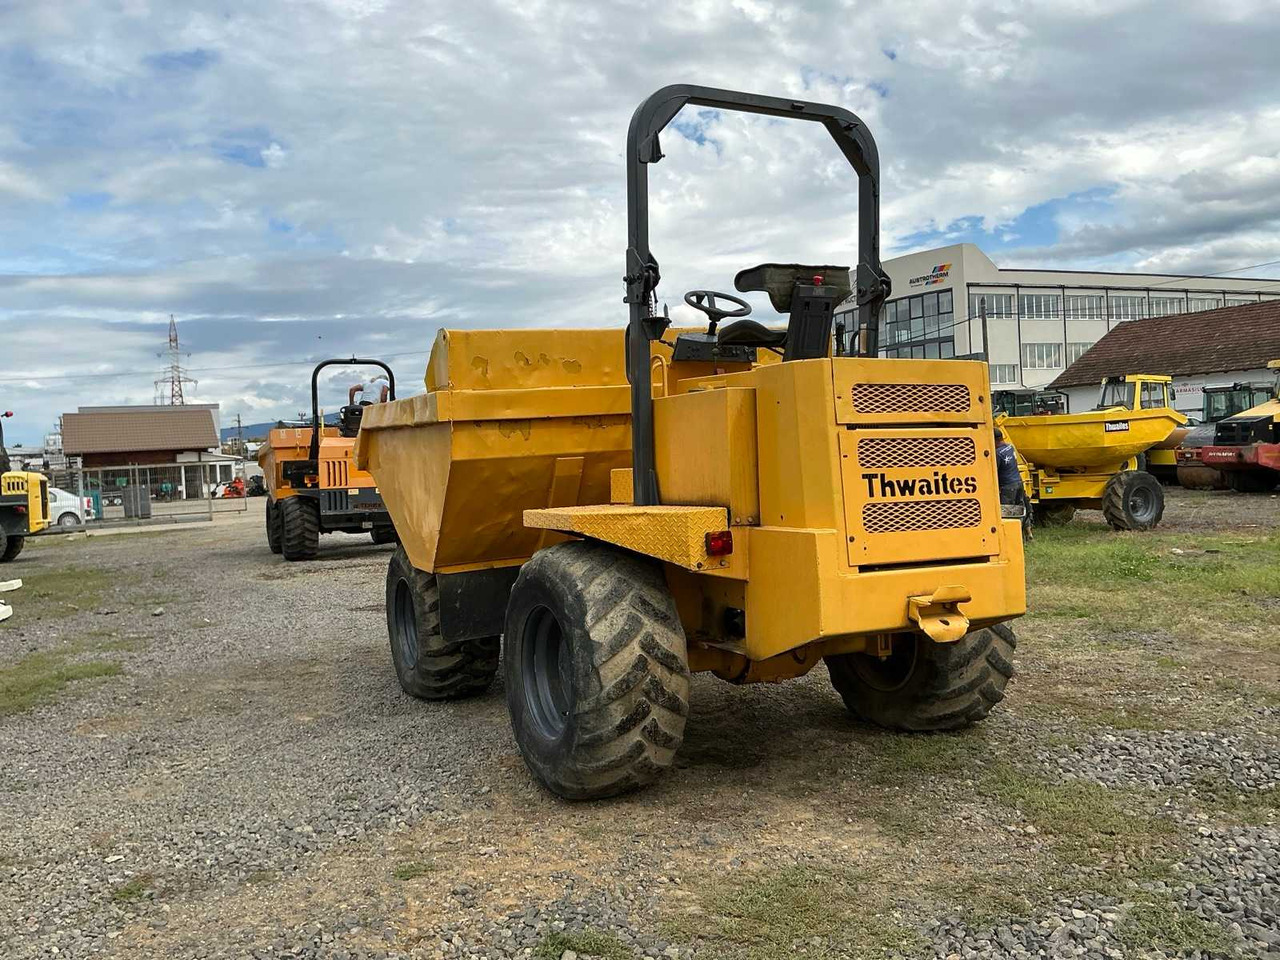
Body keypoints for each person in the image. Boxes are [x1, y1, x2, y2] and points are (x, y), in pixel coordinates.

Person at [994, 427, 1031, 539]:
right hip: (1019, 482)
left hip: (1007, 487)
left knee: (1007, 512)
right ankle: (1028, 533)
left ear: (994, 439)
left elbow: (994, 470)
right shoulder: (1010, 447)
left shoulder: (997, 453)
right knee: (1021, 509)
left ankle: (1010, 537)